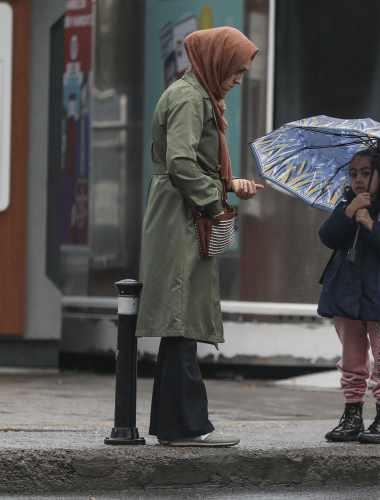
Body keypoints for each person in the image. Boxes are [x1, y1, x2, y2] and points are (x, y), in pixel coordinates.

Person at [136, 27, 262, 447]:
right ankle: (185, 426)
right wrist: (214, 201)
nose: (238, 79)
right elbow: (181, 163)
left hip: (182, 211)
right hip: (182, 216)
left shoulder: (195, 95)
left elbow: (192, 163)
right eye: (235, 70)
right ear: (216, 62)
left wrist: (229, 184)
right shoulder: (191, 99)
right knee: (181, 319)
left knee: (181, 322)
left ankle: (179, 425)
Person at [317, 148, 380, 444]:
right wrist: (349, 211)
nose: (358, 179)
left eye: (365, 173)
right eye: (353, 173)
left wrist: (370, 224)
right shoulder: (346, 203)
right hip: (346, 296)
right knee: (351, 360)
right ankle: (352, 414)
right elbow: (328, 236)